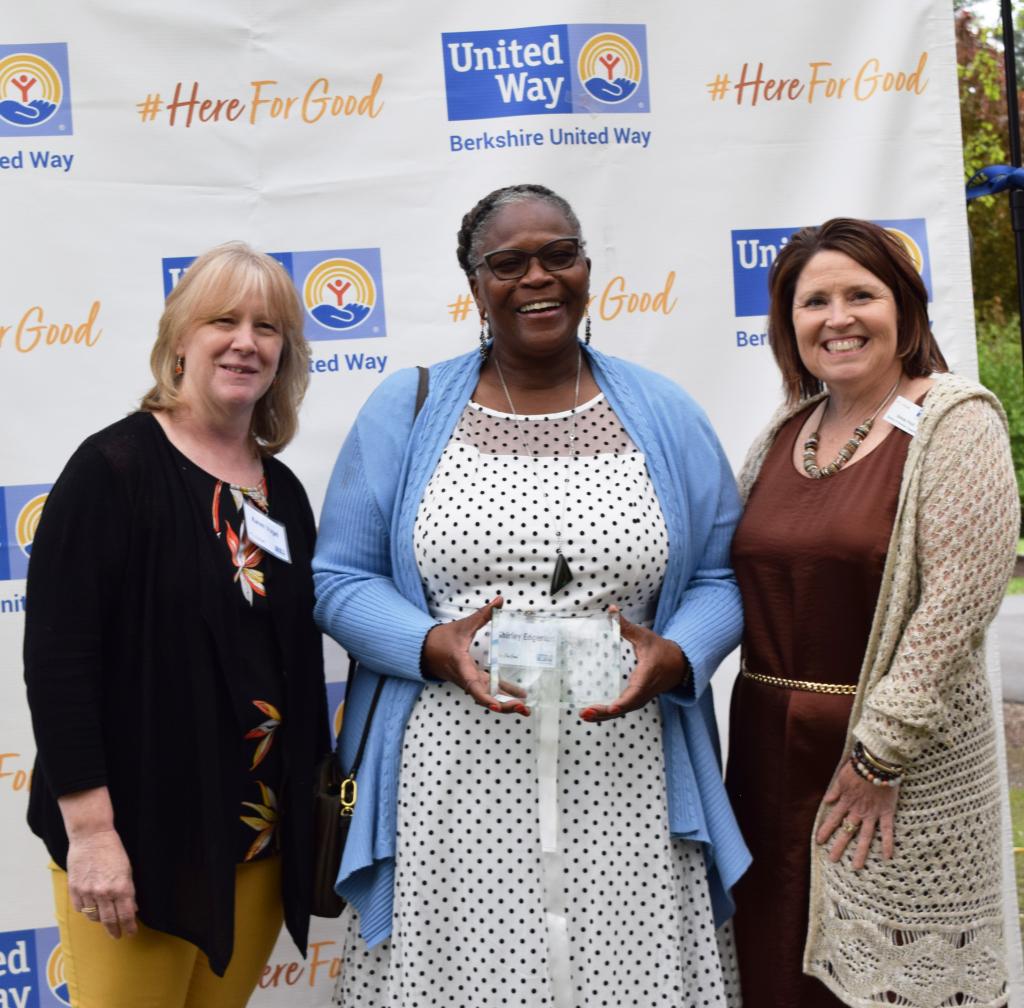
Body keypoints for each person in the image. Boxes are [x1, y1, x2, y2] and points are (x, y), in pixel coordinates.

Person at [314, 183, 750, 1008]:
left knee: (624, 971)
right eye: (507, 263)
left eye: (560, 255)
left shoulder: (663, 410)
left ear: (587, 268)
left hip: (628, 760)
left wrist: (681, 654)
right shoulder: (403, 409)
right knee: (466, 977)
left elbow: (721, 576)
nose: (538, 278)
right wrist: (430, 646)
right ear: (474, 285)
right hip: (451, 768)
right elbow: (340, 579)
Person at [24, 242, 329, 1008]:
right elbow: (60, 663)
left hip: (257, 842)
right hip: (142, 841)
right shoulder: (113, 469)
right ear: (180, 340)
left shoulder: (281, 491)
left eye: (267, 327)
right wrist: (93, 836)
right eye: (222, 319)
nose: (245, 341)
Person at [726, 217, 1019, 1008]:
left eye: (862, 294)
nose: (838, 317)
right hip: (763, 750)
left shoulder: (957, 420)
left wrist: (877, 757)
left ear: (907, 309)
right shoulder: (787, 432)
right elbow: (741, 581)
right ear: (790, 325)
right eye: (813, 301)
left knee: (885, 985)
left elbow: (956, 604)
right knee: (774, 965)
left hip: (892, 760)